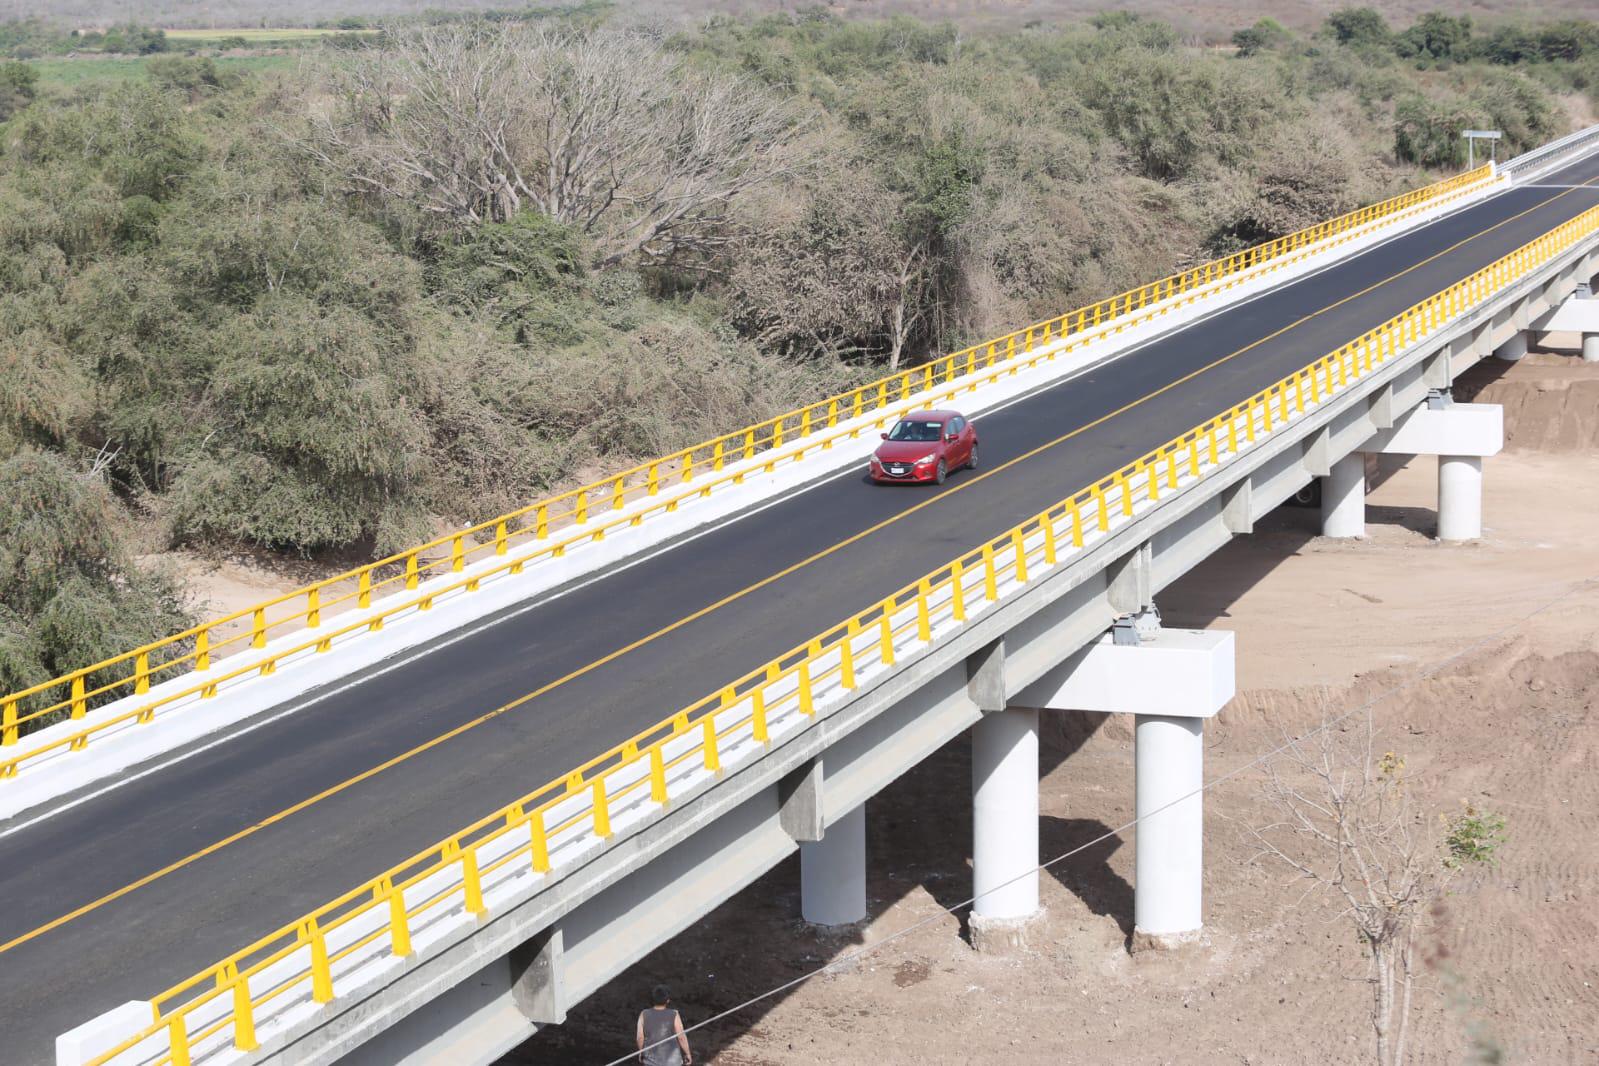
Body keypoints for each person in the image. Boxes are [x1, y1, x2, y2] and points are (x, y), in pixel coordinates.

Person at [636, 984, 692, 1066]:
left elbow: (640, 1037)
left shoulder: (643, 1014)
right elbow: (681, 1037)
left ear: (653, 999)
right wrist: (688, 1054)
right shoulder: (674, 1014)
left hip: (651, 1062)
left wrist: (641, 1052)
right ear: (668, 1000)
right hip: (673, 1062)